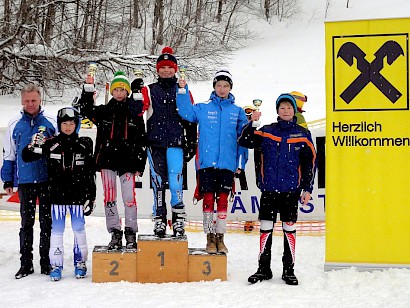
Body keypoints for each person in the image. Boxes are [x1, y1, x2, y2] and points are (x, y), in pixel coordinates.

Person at [238, 93, 316, 285]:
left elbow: (310, 163)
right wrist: (253, 123)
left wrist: (307, 188)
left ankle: (289, 270)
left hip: (291, 191)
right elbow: (245, 141)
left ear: (294, 110)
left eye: (289, 107)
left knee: (289, 228)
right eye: (282, 108)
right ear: (277, 111)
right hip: (269, 190)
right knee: (266, 228)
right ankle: (263, 269)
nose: (286, 111)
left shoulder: (302, 134)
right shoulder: (267, 131)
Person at [177, 68, 248, 253]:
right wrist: (182, 91)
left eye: (225, 86)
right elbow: (186, 113)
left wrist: (241, 163)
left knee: (223, 201)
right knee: (208, 201)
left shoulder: (238, 111)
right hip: (207, 163)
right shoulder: (203, 107)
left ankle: (220, 238)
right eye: (219, 85)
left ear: (230, 87)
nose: (222, 89)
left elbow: (243, 139)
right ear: (214, 87)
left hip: (227, 164)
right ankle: (209, 238)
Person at [22, 107, 96, 281]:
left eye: (71, 123)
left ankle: (81, 262)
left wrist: (91, 196)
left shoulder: (84, 144)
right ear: (59, 125)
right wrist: (33, 145)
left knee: (79, 229)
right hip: (57, 197)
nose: (68, 127)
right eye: (64, 124)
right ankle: (56, 264)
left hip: (78, 197)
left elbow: (90, 173)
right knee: (57, 230)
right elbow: (27, 156)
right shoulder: (51, 143)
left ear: (76, 125)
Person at [77, 71, 147, 250]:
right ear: (112, 90)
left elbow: (141, 140)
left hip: (128, 162)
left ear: (128, 91)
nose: (119, 93)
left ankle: (131, 231)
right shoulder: (104, 111)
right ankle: (115, 231)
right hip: (107, 161)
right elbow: (85, 109)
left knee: (129, 198)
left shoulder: (134, 113)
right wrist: (88, 88)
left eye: (123, 89)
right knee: (109, 198)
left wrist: (140, 163)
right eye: (116, 89)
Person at [1, 84, 57, 279]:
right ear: (21, 101)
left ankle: (45, 262)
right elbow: (9, 154)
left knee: (46, 223)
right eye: (27, 101)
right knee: (26, 224)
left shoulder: (51, 121)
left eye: (33, 100)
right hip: (25, 182)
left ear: (40, 100)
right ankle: (26, 264)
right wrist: (8, 179)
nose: (30, 104)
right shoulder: (14, 123)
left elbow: (61, 149)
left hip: (46, 180)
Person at [140, 46, 197, 238]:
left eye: (170, 67)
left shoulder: (182, 90)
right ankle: (159, 219)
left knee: (175, 181)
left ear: (175, 69)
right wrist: (135, 94)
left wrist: (191, 142)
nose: (166, 70)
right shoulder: (149, 89)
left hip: (176, 142)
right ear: (157, 70)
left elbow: (190, 116)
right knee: (157, 183)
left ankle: (178, 219)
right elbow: (138, 111)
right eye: (162, 67)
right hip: (155, 142)